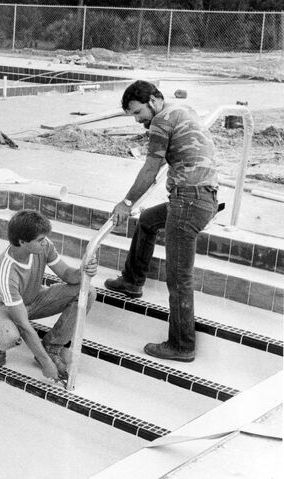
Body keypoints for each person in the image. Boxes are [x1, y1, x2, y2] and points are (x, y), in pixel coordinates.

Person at [105, 80, 219, 362]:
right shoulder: (182, 110)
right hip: (204, 198)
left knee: (179, 276)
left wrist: (126, 202)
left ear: (154, 101)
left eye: (137, 112)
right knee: (148, 220)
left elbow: (150, 168)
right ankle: (132, 281)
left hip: (188, 202)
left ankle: (182, 345)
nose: (137, 119)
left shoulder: (160, 121)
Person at [0, 209, 97, 382]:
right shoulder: (5, 271)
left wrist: (83, 271)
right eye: (40, 240)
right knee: (9, 335)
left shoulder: (44, 246)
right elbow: (23, 325)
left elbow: (67, 274)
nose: (44, 242)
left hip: (34, 298)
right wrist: (46, 364)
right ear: (22, 242)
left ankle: (52, 347)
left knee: (87, 291)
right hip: (6, 308)